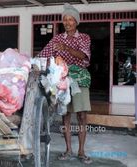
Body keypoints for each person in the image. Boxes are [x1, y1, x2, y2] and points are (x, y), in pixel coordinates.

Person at [38, 3, 92, 164]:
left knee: (82, 115)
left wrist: (66, 49)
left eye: (71, 19)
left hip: (80, 78)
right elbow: (43, 55)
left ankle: (81, 151)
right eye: (65, 19)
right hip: (62, 81)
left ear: (76, 22)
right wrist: (51, 60)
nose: (67, 22)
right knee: (66, 115)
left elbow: (83, 56)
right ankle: (68, 150)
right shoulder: (56, 39)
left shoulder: (84, 38)